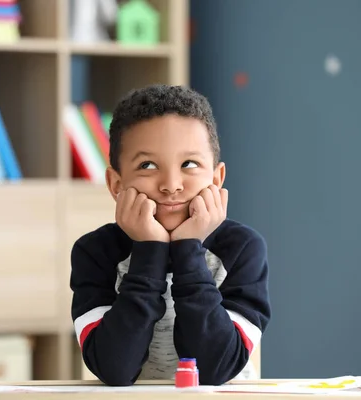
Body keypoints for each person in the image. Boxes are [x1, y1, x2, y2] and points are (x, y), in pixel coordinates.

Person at [70, 84, 271, 386]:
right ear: (115, 184)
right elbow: (114, 369)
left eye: (189, 164)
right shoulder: (94, 252)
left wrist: (188, 248)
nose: (171, 185)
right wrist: (150, 249)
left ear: (216, 179)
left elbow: (215, 370)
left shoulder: (243, 249)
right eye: (147, 165)